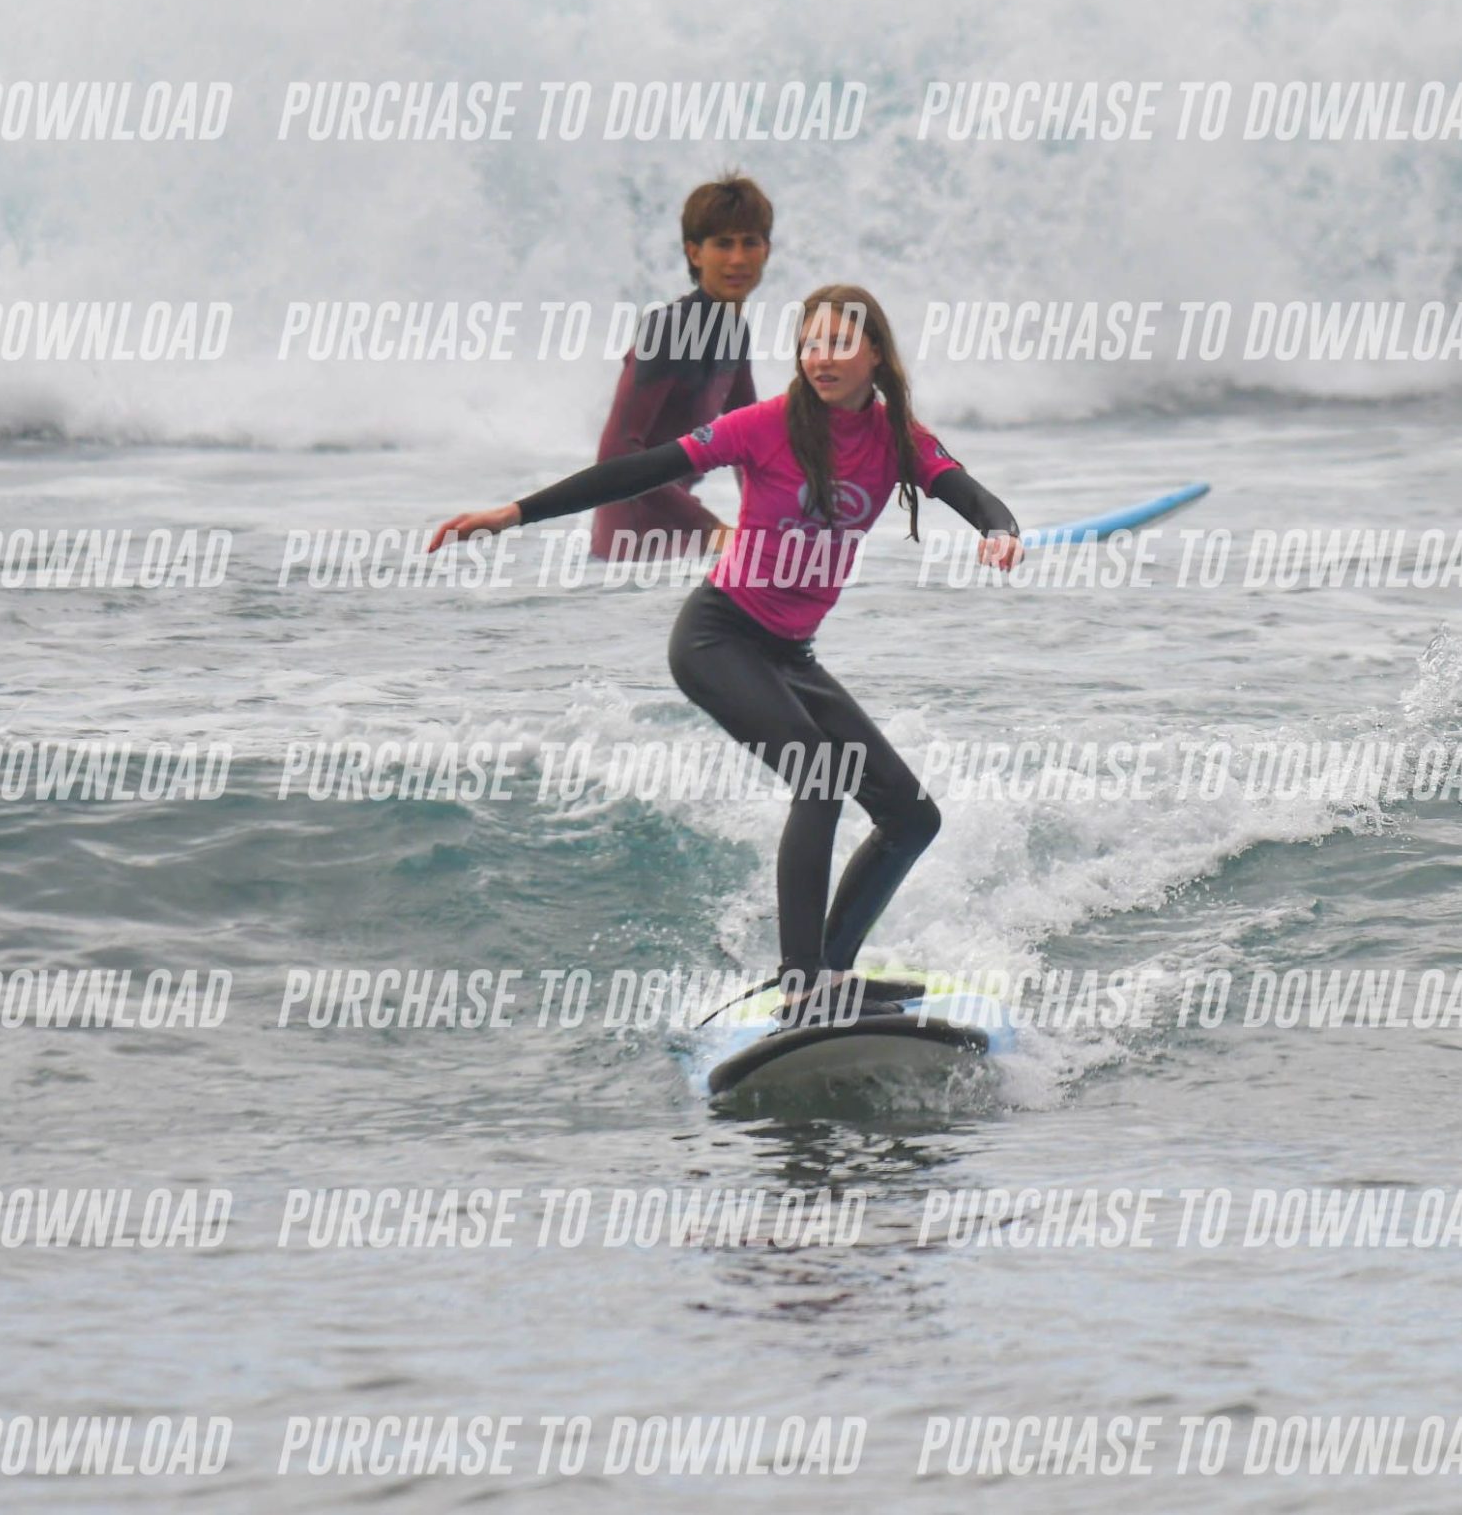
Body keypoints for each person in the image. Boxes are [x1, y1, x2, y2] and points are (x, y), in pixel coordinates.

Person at [429, 284, 1024, 1024]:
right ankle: (803, 986)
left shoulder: (896, 437)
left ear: (875, 352)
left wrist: (999, 531)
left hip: (791, 655)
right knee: (819, 778)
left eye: (840, 343)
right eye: (810, 343)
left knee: (910, 817)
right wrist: (515, 514)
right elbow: (636, 470)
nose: (821, 357)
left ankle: (831, 974)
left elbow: (968, 493)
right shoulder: (764, 425)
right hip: (718, 638)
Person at [589, 176, 771, 563]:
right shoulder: (669, 328)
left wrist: (773, 520)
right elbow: (616, 453)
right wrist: (712, 528)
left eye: (750, 243)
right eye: (723, 244)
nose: (738, 259)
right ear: (694, 253)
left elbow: (749, 443)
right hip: (630, 555)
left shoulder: (734, 332)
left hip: (678, 543)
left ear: (766, 250)